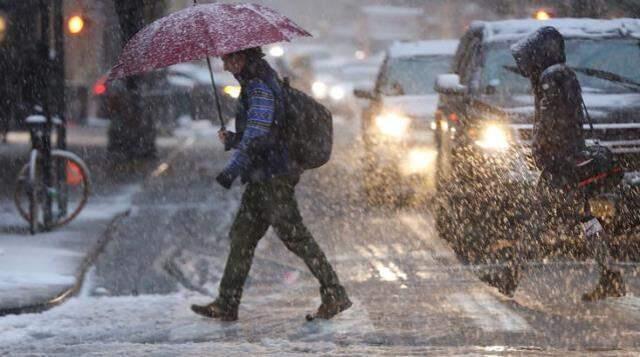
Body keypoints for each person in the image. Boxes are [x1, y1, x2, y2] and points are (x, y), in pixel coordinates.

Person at [191, 47, 351, 321]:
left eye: (227, 60)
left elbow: (258, 137)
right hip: (263, 176)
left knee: (296, 237)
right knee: (242, 236)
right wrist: (232, 140)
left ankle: (334, 292)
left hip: (273, 177)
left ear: (241, 57)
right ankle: (227, 302)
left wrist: (231, 170)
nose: (225, 66)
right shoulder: (258, 82)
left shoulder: (259, 87)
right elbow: (261, 132)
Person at [500, 26, 625, 301]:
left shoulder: (551, 78)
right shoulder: (562, 75)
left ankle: (512, 275)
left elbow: (550, 125)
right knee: (584, 219)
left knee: (537, 221)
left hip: (560, 166)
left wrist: (543, 153)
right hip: (570, 161)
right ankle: (610, 274)